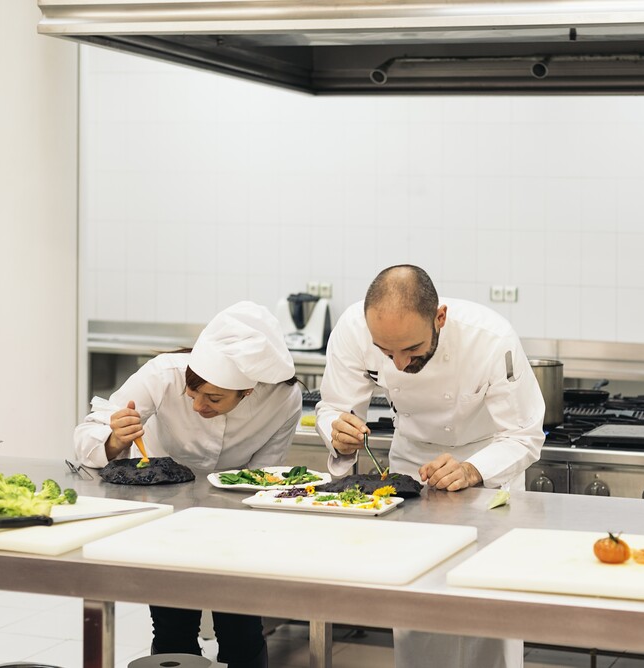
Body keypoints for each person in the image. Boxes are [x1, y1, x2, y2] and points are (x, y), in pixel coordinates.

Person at [315, 264, 545, 668]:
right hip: (411, 462)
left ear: (439, 317)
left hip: (489, 464)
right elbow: (334, 406)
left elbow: (524, 435)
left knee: (488, 603)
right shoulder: (353, 330)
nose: (399, 364)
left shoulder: (491, 338)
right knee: (415, 601)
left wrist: (473, 469)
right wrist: (337, 431)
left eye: (411, 349)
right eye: (386, 353)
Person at [74, 301, 303, 668]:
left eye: (213, 398)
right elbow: (88, 435)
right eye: (192, 394)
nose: (199, 406)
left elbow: (264, 477)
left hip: (235, 523)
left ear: (247, 391)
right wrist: (115, 439)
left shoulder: (282, 398)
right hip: (165, 516)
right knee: (173, 629)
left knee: (242, 631)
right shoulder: (163, 373)